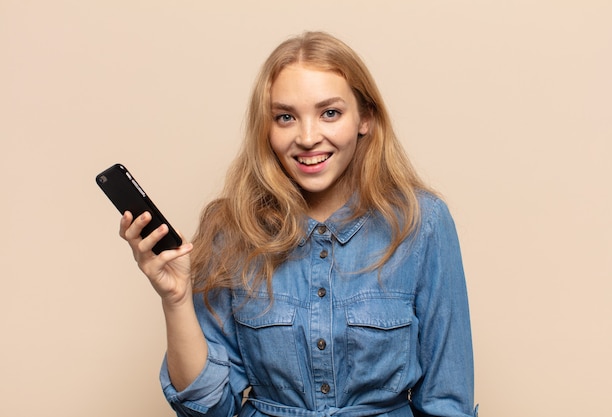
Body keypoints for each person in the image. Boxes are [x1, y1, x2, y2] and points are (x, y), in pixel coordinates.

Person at [120, 31, 477, 417]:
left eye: (330, 113)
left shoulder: (421, 222)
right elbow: (207, 410)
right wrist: (175, 301)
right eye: (286, 117)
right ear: (267, 128)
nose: (308, 138)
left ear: (366, 119)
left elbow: (447, 401)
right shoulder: (230, 227)